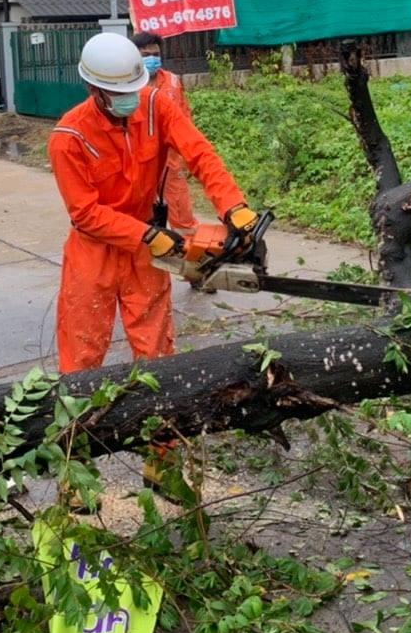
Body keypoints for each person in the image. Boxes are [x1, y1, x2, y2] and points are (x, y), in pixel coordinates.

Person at [49, 32, 258, 500]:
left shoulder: (157, 106)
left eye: (133, 90)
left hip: (146, 252)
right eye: (119, 94)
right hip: (94, 253)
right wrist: (145, 235)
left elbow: (200, 153)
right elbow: (83, 212)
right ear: (95, 89)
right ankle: (75, 479)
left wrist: (233, 207)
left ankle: (162, 465)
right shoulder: (68, 137)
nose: (130, 100)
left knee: (158, 360)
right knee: (81, 364)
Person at [129, 30, 199, 237]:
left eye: (156, 54)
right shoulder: (127, 87)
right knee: (142, 207)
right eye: (145, 55)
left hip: (170, 159)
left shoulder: (173, 82)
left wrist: (189, 152)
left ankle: (186, 246)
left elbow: (185, 118)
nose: (152, 59)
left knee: (179, 204)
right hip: (139, 159)